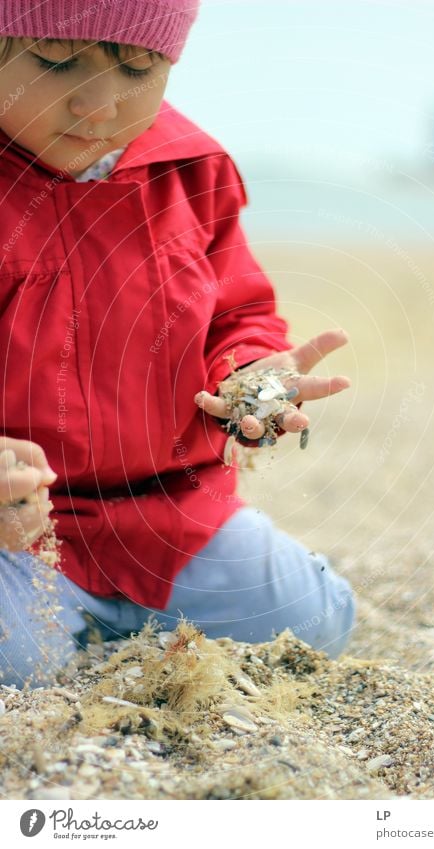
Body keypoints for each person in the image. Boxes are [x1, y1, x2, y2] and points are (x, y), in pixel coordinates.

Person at [0, 0, 355, 688]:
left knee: (313, 622)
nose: (98, 105)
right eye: (55, 60)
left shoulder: (191, 170)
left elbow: (237, 310)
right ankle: (76, 626)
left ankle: (99, 622)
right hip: (16, 526)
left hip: (167, 511)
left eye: (138, 67)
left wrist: (253, 374)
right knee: (15, 663)